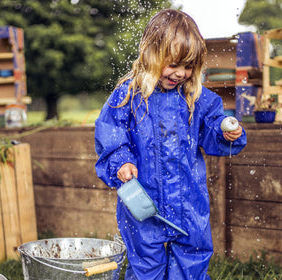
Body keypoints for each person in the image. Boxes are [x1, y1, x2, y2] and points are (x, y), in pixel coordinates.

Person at [94, 9, 247, 280]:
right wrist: (121, 161)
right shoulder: (128, 95)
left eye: (188, 67)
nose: (180, 74)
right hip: (143, 199)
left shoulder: (198, 98)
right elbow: (111, 133)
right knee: (146, 265)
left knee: (192, 258)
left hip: (189, 200)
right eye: (173, 64)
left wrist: (224, 134)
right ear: (151, 54)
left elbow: (212, 129)